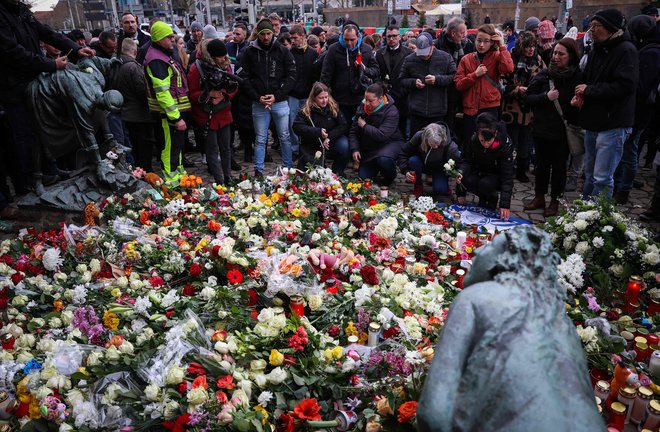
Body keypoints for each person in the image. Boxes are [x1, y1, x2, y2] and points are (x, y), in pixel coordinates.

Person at [417, 226, 605, 432]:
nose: (478, 251)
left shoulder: (475, 298)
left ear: (507, 258)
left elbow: (434, 413)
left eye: (488, 246)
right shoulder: (564, 323)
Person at [0, 0, 94, 195]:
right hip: (14, 87)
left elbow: (46, 32)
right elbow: (12, 52)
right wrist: (50, 65)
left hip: (34, 80)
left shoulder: (21, 10)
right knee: (25, 134)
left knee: (43, 128)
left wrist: (75, 49)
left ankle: (50, 169)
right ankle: (30, 180)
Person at [574, 9, 638, 199]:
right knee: (590, 176)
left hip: (613, 124)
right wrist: (579, 94)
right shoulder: (597, 49)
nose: (591, 30)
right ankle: (583, 214)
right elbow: (587, 79)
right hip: (593, 121)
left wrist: (589, 91)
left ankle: (598, 218)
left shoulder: (626, 50)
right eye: (591, 26)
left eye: (596, 26)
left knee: (602, 178)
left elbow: (625, 86)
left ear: (610, 28)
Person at [524, 38, 582, 217]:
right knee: (541, 167)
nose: (556, 57)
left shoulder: (578, 76)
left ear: (571, 56)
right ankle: (539, 197)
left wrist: (577, 103)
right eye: (555, 53)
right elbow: (528, 97)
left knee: (559, 169)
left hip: (563, 132)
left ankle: (555, 201)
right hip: (542, 130)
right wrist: (545, 97)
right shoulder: (545, 74)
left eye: (561, 54)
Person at [239, 18, 297, 177]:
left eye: (269, 34)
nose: (266, 37)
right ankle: (258, 170)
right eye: (263, 34)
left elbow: (291, 76)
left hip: (279, 101)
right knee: (260, 138)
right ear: (258, 33)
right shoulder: (249, 52)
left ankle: (288, 167)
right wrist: (257, 97)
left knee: (284, 136)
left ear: (273, 33)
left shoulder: (282, 51)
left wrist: (277, 95)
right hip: (259, 102)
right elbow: (244, 77)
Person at [613, 14, 660, 204]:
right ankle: (621, 185)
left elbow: (641, 86)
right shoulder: (648, 49)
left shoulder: (651, 52)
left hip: (638, 112)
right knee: (627, 149)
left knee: (629, 150)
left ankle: (623, 188)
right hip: (636, 111)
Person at [144, 21, 191, 183]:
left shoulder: (163, 55)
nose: (173, 39)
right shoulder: (157, 60)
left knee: (176, 146)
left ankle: (180, 178)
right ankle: (171, 182)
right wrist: (176, 117)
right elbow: (162, 93)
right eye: (169, 37)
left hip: (171, 112)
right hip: (166, 115)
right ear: (158, 39)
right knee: (168, 147)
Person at [455, 24, 514, 147]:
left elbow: (508, 68)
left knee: (490, 144)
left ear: (492, 42)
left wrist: (502, 46)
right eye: (479, 40)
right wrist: (474, 75)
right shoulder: (466, 59)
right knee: (470, 144)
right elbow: (459, 85)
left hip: (490, 108)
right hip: (470, 110)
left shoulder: (497, 56)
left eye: (486, 41)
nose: (481, 45)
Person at [188, 40, 238, 185]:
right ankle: (219, 179)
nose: (224, 59)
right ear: (212, 56)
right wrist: (208, 94)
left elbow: (234, 86)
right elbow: (191, 94)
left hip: (223, 112)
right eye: (220, 57)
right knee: (212, 149)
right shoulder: (196, 68)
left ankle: (228, 177)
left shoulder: (225, 66)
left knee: (226, 147)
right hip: (206, 115)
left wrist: (223, 95)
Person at [501, 31, 545, 183]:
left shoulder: (538, 60)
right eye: (527, 46)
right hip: (511, 109)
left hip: (528, 109)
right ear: (521, 46)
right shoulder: (511, 59)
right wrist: (517, 89)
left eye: (533, 46)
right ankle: (507, 170)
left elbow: (543, 78)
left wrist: (533, 91)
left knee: (525, 142)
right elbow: (502, 84)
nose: (531, 49)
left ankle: (521, 170)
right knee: (511, 141)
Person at [456, 112, 514, 220]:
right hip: (479, 171)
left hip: (495, 176)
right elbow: (467, 161)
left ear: (495, 134)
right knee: (467, 179)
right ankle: (482, 197)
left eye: (489, 141)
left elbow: (507, 176)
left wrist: (505, 205)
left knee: (486, 184)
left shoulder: (504, 145)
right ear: (478, 133)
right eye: (482, 140)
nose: (486, 144)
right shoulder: (473, 140)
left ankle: (492, 196)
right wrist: (461, 174)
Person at [320, 22, 380, 125]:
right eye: (346, 39)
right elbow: (326, 75)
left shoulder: (366, 49)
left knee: (359, 128)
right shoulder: (333, 50)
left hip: (360, 98)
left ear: (358, 36)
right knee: (343, 128)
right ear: (342, 36)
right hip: (339, 99)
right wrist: (326, 96)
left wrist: (364, 68)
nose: (349, 43)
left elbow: (376, 71)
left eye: (352, 40)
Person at [111, 38, 155, 172]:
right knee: (143, 147)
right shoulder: (132, 67)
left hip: (124, 113)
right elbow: (142, 91)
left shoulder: (115, 65)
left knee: (133, 147)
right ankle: (145, 172)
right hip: (138, 115)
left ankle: (136, 170)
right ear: (134, 51)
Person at [400, 32, 457, 136]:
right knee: (417, 142)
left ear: (433, 46)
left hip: (438, 111)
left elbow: (454, 78)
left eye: (427, 53)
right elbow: (402, 79)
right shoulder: (410, 59)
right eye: (421, 53)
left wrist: (437, 80)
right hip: (417, 111)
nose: (424, 56)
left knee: (436, 142)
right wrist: (413, 82)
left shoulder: (445, 57)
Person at [349, 83, 405, 186]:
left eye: (371, 101)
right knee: (364, 177)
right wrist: (355, 149)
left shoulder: (392, 111)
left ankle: (390, 175)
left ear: (380, 99)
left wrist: (365, 126)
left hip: (389, 143)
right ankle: (375, 167)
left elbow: (382, 135)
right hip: (370, 148)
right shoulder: (362, 108)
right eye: (365, 99)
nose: (367, 103)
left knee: (383, 159)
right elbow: (353, 131)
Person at [292, 82, 349, 175]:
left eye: (326, 97)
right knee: (313, 174)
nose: (324, 100)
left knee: (345, 146)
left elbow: (343, 125)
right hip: (313, 141)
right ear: (314, 97)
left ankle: (338, 171)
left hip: (330, 139)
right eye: (321, 98)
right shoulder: (306, 110)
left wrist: (329, 137)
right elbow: (297, 127)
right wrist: (317, 131)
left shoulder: (333, 106)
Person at [398, 122, 461, 197]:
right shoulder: (419, 136)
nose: (436, 147)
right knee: (413, 161)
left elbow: (459, 163)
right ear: (425, 139)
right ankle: (418, 185)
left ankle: (444, 185)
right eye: (432, 145)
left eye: (438, 144)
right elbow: (404, 152)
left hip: (439, 169)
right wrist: (405, 170)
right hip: (422, 163)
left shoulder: (451, 147)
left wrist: (457, 173)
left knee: (440, 190)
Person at [288, 25, 319, 158]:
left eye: (295, 38)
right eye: (291, 38)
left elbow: (316, 74)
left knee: (308, 123)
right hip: (293, 94)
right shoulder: (289, 53)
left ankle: (308, 147)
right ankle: (295, 149)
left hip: (308, 95)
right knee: (292, 123)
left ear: (302, 36)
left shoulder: (313, 53)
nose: (293, 41)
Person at [376, 25, 413, 136]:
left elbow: (411, 74)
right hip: (385, 96)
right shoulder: (379, 53)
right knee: (386, 126)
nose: (391, 39)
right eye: (389, 36)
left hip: (403, 96)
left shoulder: (409, 53)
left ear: (400, 37)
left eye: (394, 36)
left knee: (402, 128)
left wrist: (406, 90)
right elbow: (377, 73)